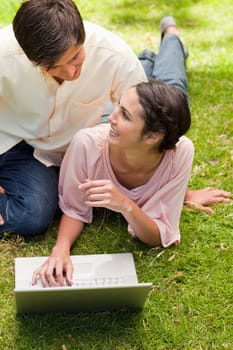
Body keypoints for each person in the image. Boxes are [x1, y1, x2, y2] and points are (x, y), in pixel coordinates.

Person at [0, 2, 231, 237]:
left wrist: (179, 192)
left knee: (171, 97)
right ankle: (148, 63)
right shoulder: (5, 55)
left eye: (77, 57)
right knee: (31, 215)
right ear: (30, 57)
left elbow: (150, 127)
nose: (71, 73)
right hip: (25, 145)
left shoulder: (113, 54)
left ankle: (171, 40)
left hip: (102, 120)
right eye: (55, 68)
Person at [31, 21, 229, 287]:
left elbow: (159, 236)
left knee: (174, 82)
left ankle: (170, 37)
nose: (112, 117)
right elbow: (75, 208)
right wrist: (60, 249)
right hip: (143, 112)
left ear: (152, 137)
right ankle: (143, 62)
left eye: (123, 114)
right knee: (143, 87)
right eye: (119, 107)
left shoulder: (180, 150)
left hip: (167, 111)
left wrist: (127, 203)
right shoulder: (87, 143)